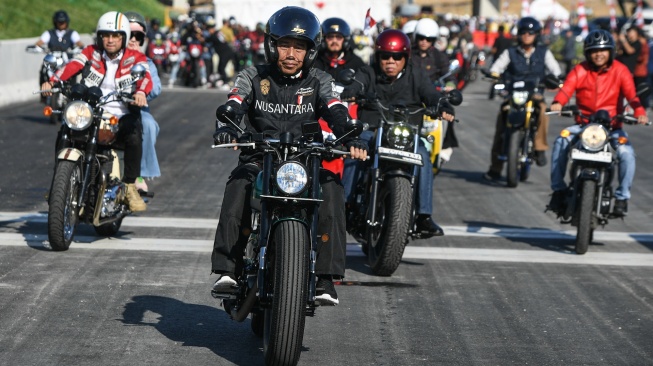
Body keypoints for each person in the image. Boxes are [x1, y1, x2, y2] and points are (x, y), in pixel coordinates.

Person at [210, 6, 368, 306]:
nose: (291, 54)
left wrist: (350, 132)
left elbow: (336, 109)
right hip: (260, 157)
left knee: (333, 187)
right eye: (285, 45)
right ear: (272, 45)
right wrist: (227, 125)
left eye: (300, 47)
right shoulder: (252, 75)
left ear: (310, 51)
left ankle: (324, 278)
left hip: (305, 161)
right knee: (238, 184)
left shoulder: (319, 80)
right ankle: (227, 269)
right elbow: (234, 102)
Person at [340, 29, 456, 237]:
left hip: (407, 133)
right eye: (385, 56)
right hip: (373, 129)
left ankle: (423, 216)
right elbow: (357, 82)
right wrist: (351, 91)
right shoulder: (369, 71)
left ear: (406, 57)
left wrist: (443, 105)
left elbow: (431, 94)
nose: (390, 61)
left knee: (423, 154)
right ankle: (344, 205)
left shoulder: (417, 74)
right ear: (378, 56)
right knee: (357, 148)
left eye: (397, 56)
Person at [41, 11, 153, 212]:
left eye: (116, 36)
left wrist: (141, 92)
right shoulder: (90, 52)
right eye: (106, 35)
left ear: (124, 37)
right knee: (65, 130)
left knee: (135, 133)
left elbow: (145, 76)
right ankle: (59, 183)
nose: (110, 40)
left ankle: (129, 186)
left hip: (120, 115)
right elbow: (72, 65)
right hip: (90, 112)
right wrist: (53, 80)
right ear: (100, 37)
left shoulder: (136, 57)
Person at [547, 30, 648, 216]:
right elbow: (566, 88)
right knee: (561, 141)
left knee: (627, 153)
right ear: (587, 53)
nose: (598, 54)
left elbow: (632, 95)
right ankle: (558, 191)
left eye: (603, 50)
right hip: (583, 126)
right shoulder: (580, 69)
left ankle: (622, 198)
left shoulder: (621, 70)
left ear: (611, 51)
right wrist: (558, 102)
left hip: (612, 128)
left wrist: (640, 111)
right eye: (594, 51)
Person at [483, 16, 562, 181]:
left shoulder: (543, 52)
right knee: (501, 123)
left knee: (542, 111)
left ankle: (539, 148)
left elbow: (555, 70)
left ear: (536, 35)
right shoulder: (510, 52)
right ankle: (495, 168)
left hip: (535, 94)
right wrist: (494, 75)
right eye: (523, 32)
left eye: (531, 33)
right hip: (513, 95)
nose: (527, 35)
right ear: (518, 34)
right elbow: (497, 68)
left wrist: (556, 78)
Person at [124, 11, 162, 193]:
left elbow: (155, 88)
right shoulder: (107, 57)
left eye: (138, 36)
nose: (133, 40)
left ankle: (139, 174)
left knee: (148, 125)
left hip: (136, 109)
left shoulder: (146, 62)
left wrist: (139, 93)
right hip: (107, 107)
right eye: (128, 35)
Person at [35, 10, 85, 100]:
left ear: (67, 22)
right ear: (55, 22)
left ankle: (72, 92)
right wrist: (38, 47)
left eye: (63, 22)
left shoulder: (72, 33)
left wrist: (77, 49)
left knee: (72, 70)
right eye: (59, 22)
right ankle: (43, 93)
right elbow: (38, 43)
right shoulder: (49, 33)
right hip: (53, 60)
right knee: (43, 69)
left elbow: (80, 44)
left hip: (66, 60)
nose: (61, 24)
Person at [313, 17, 367, 82]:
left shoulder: (356, 63)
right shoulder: (316, 62)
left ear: (345, 40)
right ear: (323, 40)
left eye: (338, 37)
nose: (334, 41)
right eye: (330, 37)